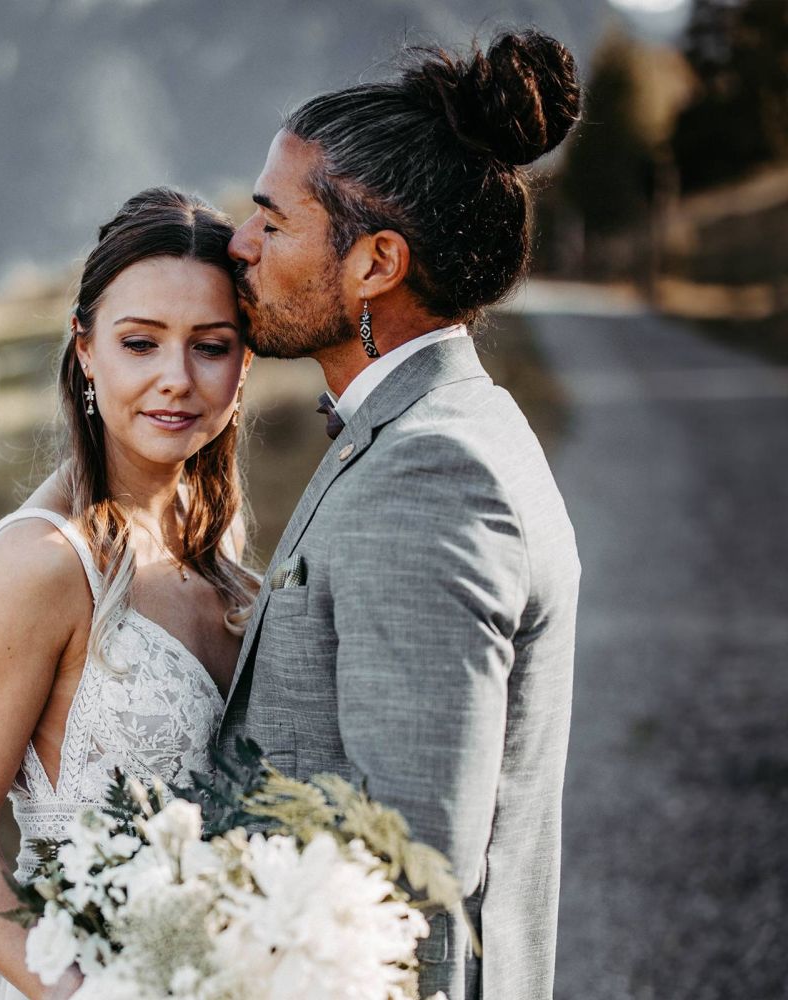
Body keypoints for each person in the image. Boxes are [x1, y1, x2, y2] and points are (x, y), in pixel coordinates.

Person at [217, 29, 583, 1000]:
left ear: (375, 262)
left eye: (271, 222)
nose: (237, 245)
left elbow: (414, 850)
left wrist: (192, 893)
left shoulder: (432, 469)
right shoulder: (430, 426)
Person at [0, 187, 259, 1000]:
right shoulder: (37, 566)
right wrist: (87, 994)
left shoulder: (216, 542)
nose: (175, 380)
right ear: (86, 350)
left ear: (245, 363)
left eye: (210, 346)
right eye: (140, 343)